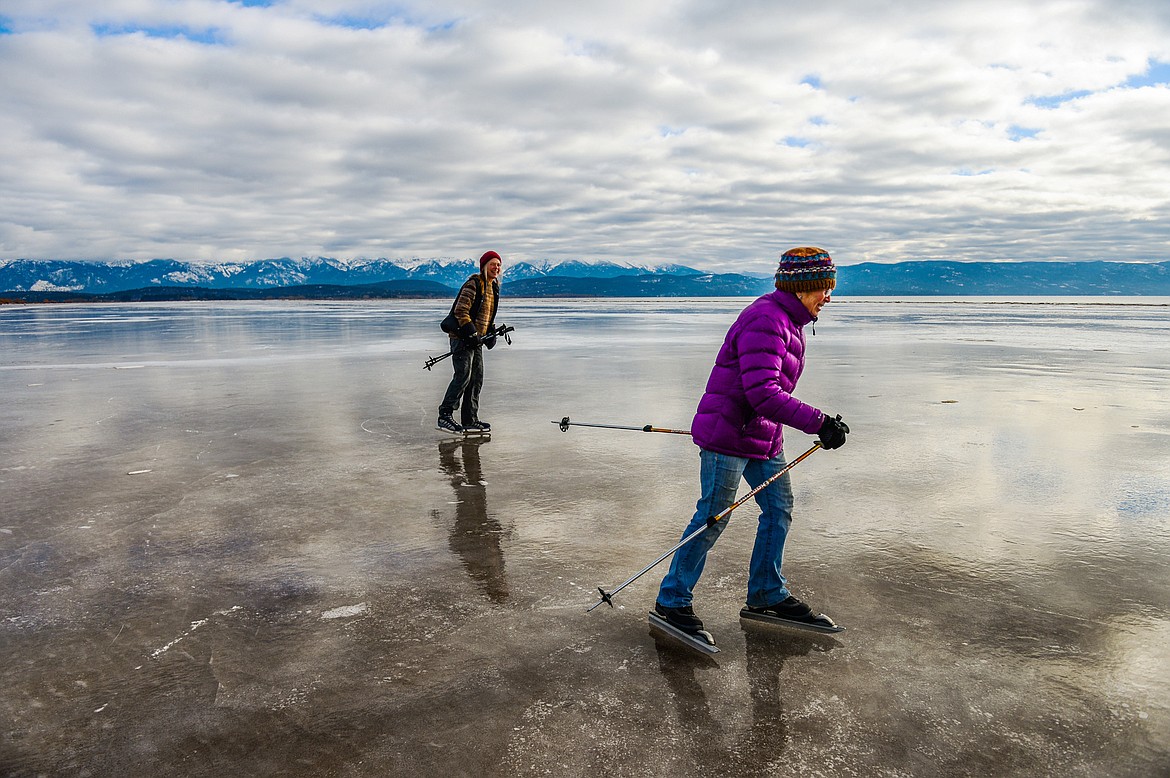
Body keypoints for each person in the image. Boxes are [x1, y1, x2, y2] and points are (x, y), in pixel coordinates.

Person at [654, 246, 850, 639]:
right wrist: (819, 422)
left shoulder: (791, 321)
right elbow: (763, 393)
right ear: (803, 286)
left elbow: (767, 397)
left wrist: (812, 423)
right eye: (824, 289)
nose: (828, 297)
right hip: (728, 435)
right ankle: (671, 602)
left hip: (763, 435)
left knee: (779, 510)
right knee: (713, 516)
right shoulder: (766, 319)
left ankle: (766, 594)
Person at [437, 250, 503, 434]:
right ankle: (445, 415)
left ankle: (469, 419)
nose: (496, 268)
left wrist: (490, 332)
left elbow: (486, 314)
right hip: (461, 338)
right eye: (492, 264)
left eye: (498, 265)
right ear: (484, 266)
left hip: (476, 340)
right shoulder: (474, 284)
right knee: (463, 376)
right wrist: (472, 334)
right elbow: (461, 311)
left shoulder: (493, 286)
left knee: (476, 379)